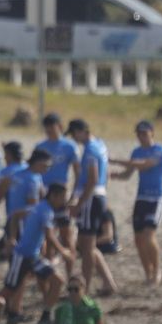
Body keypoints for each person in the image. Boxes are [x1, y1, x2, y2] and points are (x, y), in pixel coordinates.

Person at [0, 183, 74, 324]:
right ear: (53, 196)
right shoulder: (45, 210)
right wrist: (63, 251)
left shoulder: (38, 207)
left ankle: (45, 317)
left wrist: (13, 238)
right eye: (62, 198)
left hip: (33, 257)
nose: (64, 201)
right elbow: (49, 235)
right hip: (21, 257)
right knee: (8, 290)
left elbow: (15, 215)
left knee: (58, 281)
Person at [111, 119, 162, 286]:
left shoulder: (159, 151)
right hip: (141, 198)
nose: (141, 137)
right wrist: (112, 175)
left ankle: (157, 271)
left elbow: (144, 165)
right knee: (138, 239)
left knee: (149, 235)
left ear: (152, 133)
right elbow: (128, 174)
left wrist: (115, 159)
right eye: (139, 134)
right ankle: (148, 272)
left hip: (156, 198)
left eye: (144, 133)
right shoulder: (136, 151)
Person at [67, 119, 118, 297]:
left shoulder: (90, 150)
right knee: (89, 246)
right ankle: (108, 283)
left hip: (91, 198)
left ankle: (84, 289)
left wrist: (78, 204)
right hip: (98, 196)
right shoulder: (100, 145)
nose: (74, 138)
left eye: (74, 134)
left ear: (82, 131)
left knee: (86, 248)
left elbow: (92, 179)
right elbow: (107, 174)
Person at [35, 113, 79, 275]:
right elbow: (34, 170)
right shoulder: (41, 146)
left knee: (67, 234)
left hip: (61, 195)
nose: (49, 131)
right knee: (47, 236)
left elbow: (77, 171)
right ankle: (49, 273)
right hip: (45, 196)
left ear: (59, 126)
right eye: (46, 128)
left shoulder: (69, 146)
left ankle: (70, 273)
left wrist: (74, 195)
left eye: (52, 127)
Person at [0, 145, 48, 261]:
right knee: (29, 256)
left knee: (14, 256)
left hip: (11, 219)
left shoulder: (14, 174)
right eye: (45, 166)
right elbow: (33, 204)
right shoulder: (33, 179)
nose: (47, 169)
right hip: (25, 222)